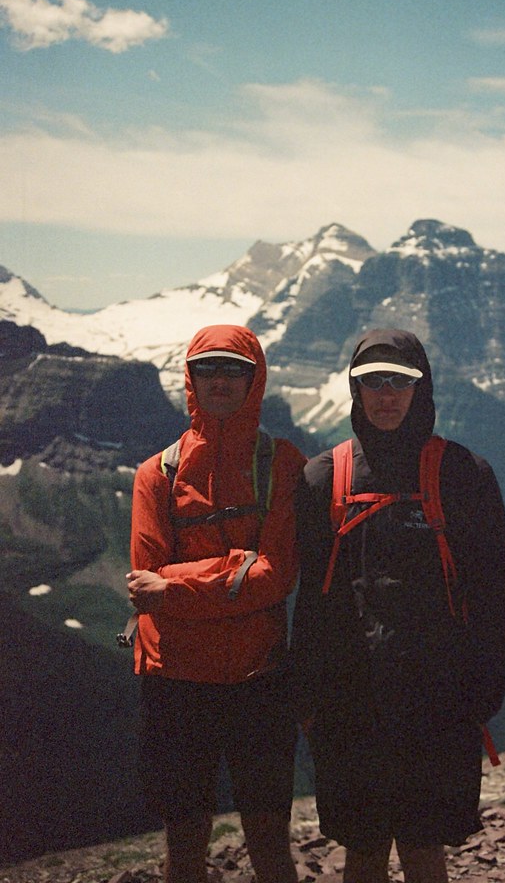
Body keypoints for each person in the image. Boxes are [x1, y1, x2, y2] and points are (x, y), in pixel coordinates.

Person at [291, 328, 505, 883]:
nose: (386, 394)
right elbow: (311, 600)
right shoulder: (321, 479)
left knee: (421, 845)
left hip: (437, 701)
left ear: (421, 387)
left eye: (400, 380)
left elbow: (491, 593)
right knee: (365, 847)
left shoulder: (465, 476)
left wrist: (484, 689)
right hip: (350, 701)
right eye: (373, 381)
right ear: (355, 388)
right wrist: (306, 693)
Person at [126, 324, 305, 883]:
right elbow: (144, 585)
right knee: (184, 847)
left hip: (258, 677)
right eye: (207, 368)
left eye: (234, 369)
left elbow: (278, 576)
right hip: (176, 680)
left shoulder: (283, 464)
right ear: (191, 379)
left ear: (255, 379)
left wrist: (177, 588)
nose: (220, 380)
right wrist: (240, 568)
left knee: (270, 842)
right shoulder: (156, 474)